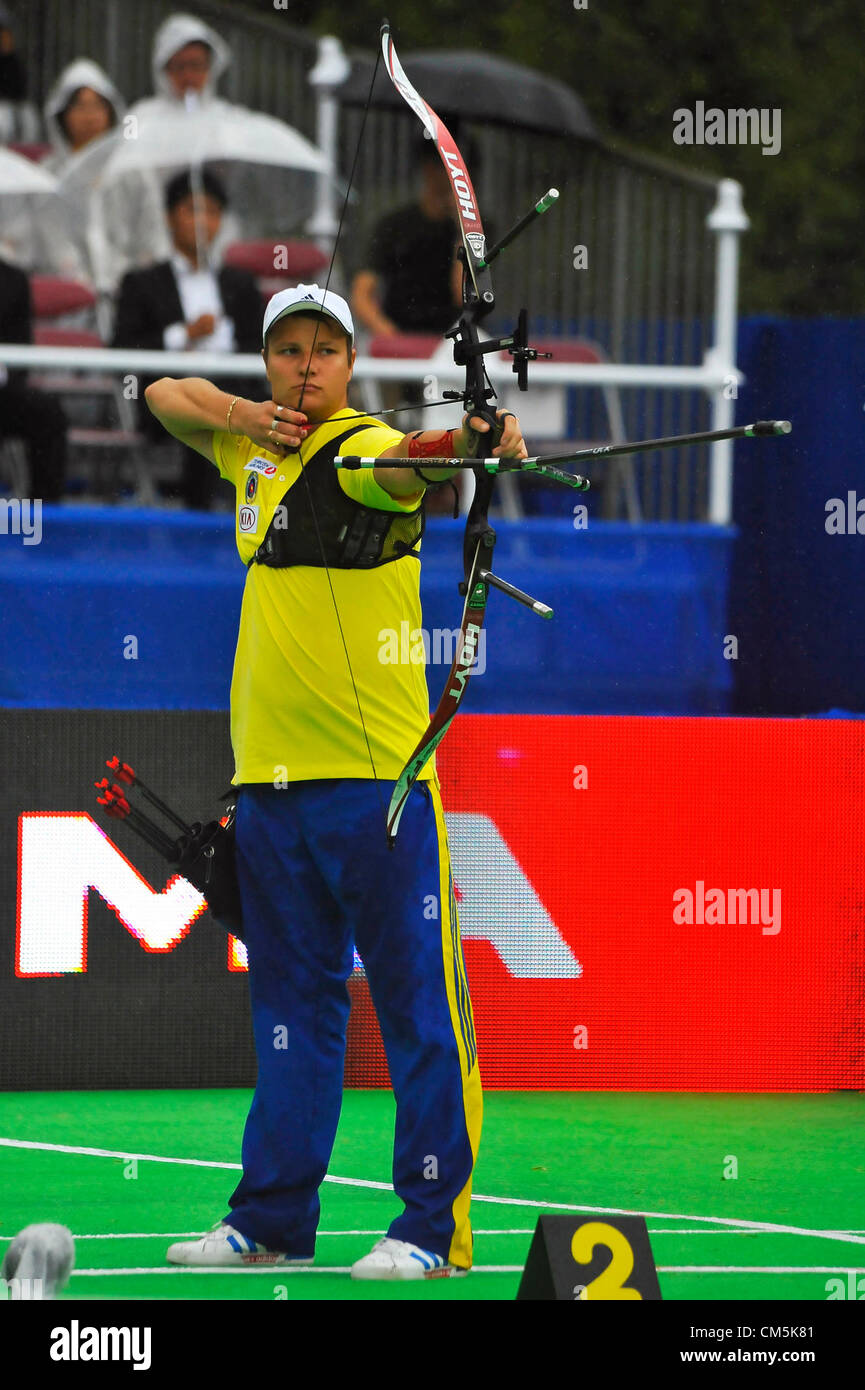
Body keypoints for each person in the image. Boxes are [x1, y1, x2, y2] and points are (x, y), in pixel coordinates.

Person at [144, 282, 527, 1279]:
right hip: (267, 786)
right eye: (288, 350)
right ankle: (270, 1216)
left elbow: (406, 466)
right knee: (290, 1010)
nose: (305, 366)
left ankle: (431, 1229)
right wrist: (240, 415)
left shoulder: (358, 448)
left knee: (415, 1008)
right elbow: (159, 391)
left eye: (324, 349)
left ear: (350, 363)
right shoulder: (251, 446)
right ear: (267, 361)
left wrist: (469, 440)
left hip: (376, 787)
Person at [112, 168, 262, 509]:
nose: (202, 221)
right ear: (169, 217)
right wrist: (183, 336)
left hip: (237, 391)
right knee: (202, 415)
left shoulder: (241, 284)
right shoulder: (141, 282)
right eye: (191, 210)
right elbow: (121, 348)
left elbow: (259, 347)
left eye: (211, 212)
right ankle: (200, 525)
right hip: (167, 394)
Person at [0, 256, 68, 501]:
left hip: (2, 391)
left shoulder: (12, 280)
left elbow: (21, 354)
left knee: (47, 413)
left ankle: (45, 521)